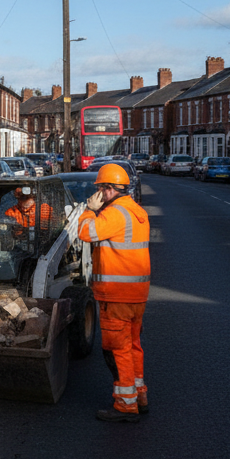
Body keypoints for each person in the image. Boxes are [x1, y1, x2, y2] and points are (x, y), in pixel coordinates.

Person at [77, 162, 151, 423]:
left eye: (101, 189)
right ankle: (139, 396)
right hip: (136, 294)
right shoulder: (137, 211)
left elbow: (86, 232)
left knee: (117, 349)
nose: (100, 195)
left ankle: (125, 405)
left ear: (108, 189)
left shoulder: (114, 214)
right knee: (133, 346)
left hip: (116, 296)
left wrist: (89, 210)